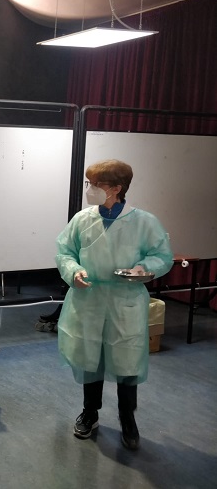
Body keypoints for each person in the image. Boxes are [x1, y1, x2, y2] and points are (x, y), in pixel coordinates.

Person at [55, 159, 173, 450]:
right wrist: (74, 271)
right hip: (89, 298)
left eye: (96, 184)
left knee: (127, 361)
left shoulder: (144, 222)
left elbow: (162, 256)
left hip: (125, 299)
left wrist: (143, 268)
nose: (90, 189)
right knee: (90, 356)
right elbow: (65, 251)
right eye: (90, 183)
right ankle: (90, 412)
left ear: (117, 188)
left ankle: (127, 418)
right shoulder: (82, 219)